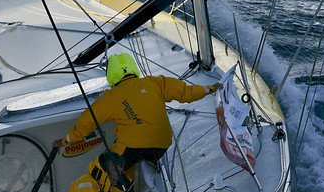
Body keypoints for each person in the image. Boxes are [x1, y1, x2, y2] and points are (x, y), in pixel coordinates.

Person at [62, 52, 215, 176]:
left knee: (103, 168)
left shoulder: (110, 96)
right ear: (133, 67)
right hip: (161, 146)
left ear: (112, 74)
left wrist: (66, 140)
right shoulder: (155, 82)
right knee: (126, 161)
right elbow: (187, 93)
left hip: (132, 148)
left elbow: (88, 120)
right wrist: (209, 89)